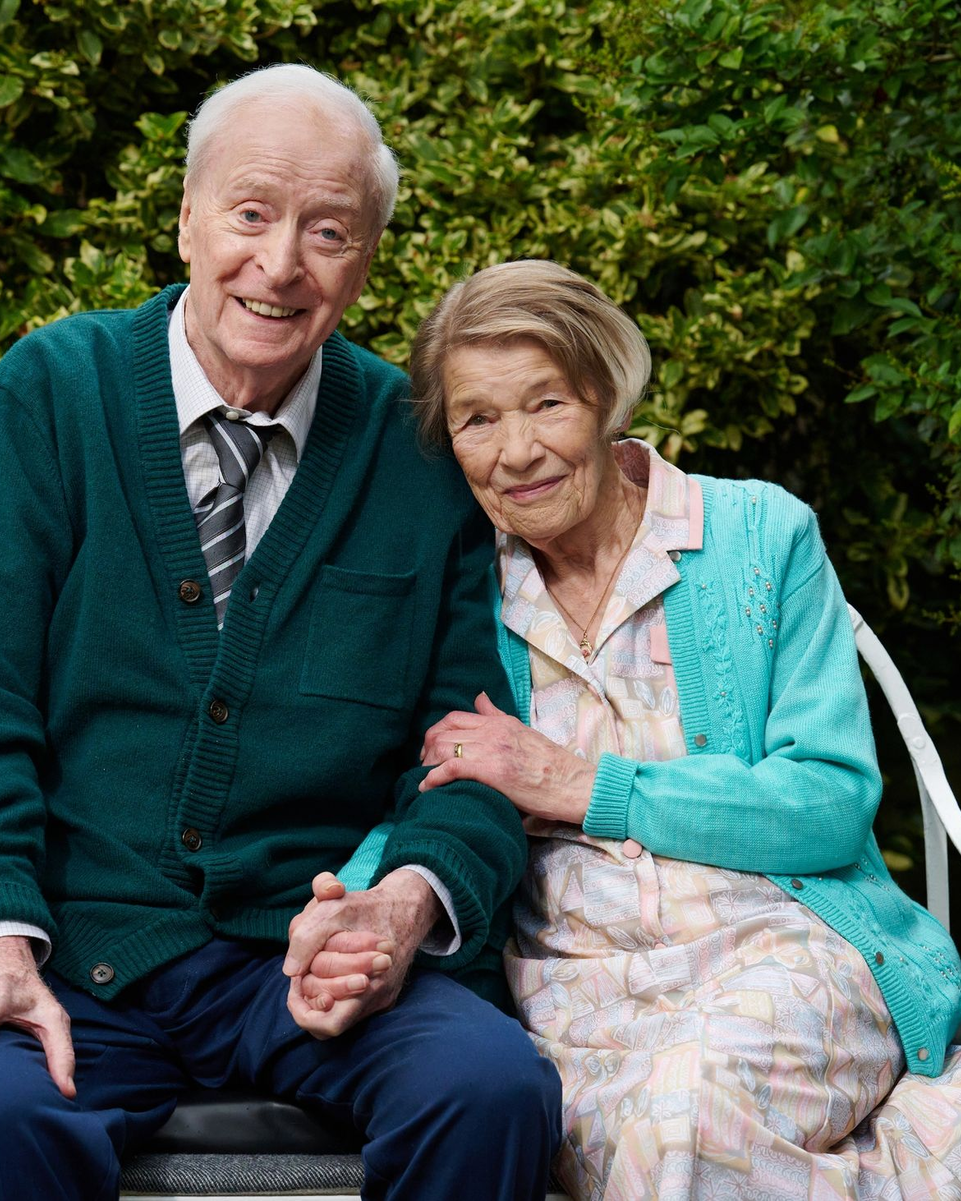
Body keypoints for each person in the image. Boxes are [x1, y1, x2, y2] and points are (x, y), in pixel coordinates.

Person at [0, 67, 562, 1201]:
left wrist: (401, 906)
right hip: (66, 947)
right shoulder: (57, 392)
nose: (283, 262)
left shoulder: (417, 450)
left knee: (490, 1087)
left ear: (367, 259)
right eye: (251, 213)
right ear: (188, 217)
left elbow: (473, 751)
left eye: (330, 231)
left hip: (303, 966)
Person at [392, 258, 961, 1197]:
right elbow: (418, 794)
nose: (517, 451)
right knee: (647, 1134)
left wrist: (584, 787)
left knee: (687, 1118)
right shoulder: (462, 589)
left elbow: (827, 803)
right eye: (477, 419)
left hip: (784, 951)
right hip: (571, 991)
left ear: (607, 393)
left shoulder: (756, 535)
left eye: (547, 403)